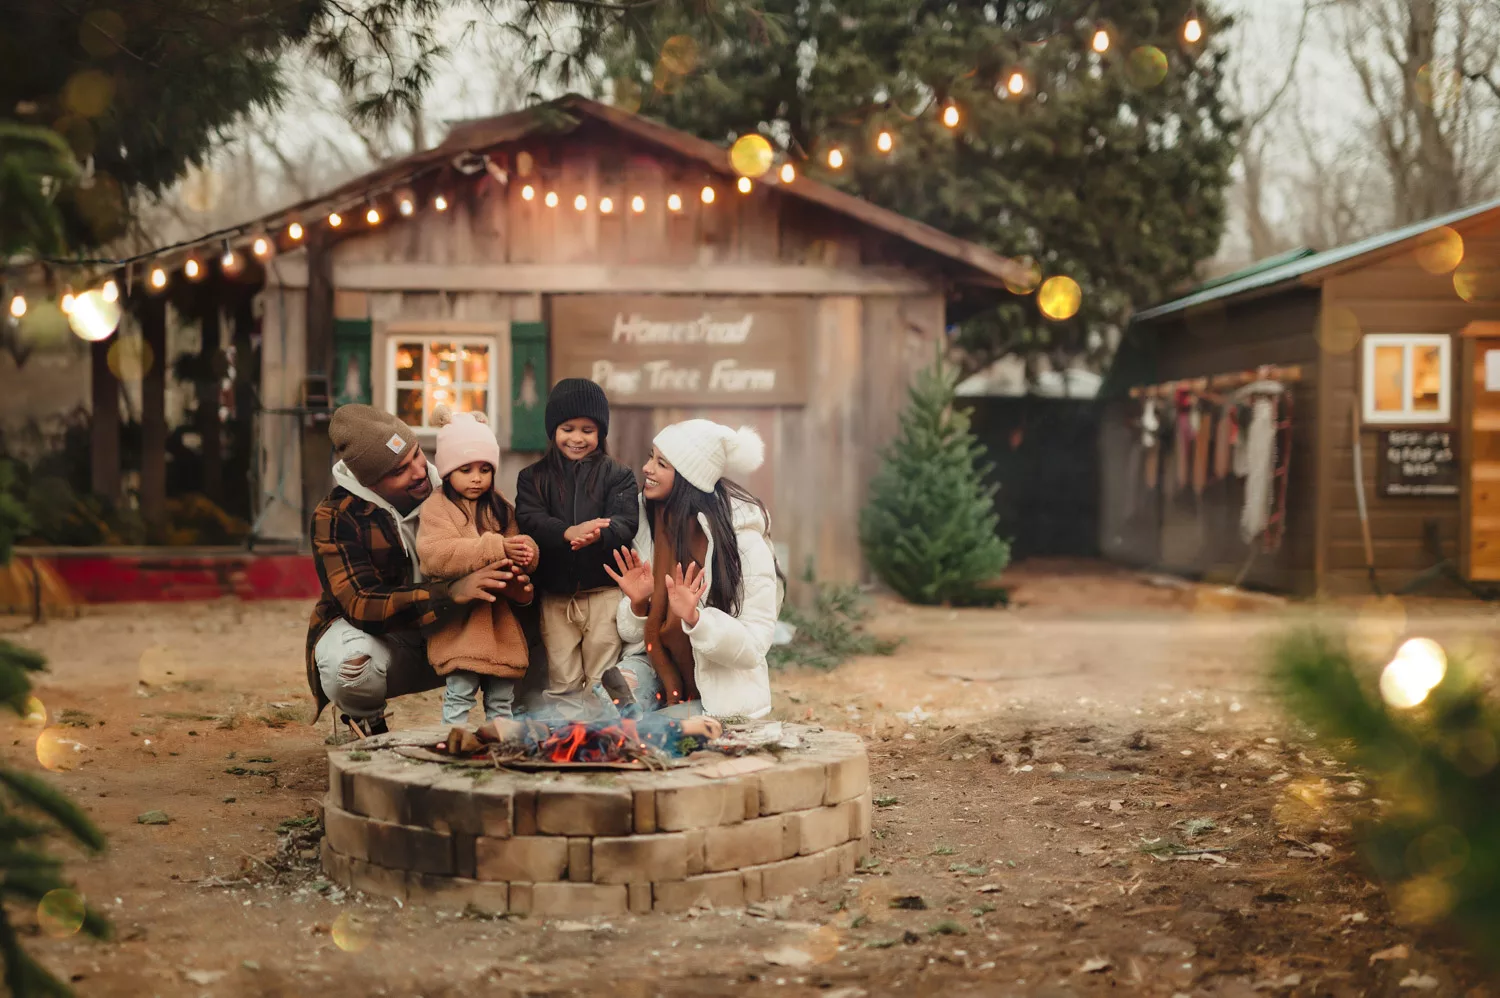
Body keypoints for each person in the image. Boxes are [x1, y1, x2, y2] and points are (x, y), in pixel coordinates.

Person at [306, 404, 519, 738]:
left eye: (417, 454)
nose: (419, 471)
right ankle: (366, 721)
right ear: (370, 483)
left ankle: (527, 721)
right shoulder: (336, 515)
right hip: (393, 637)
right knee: (349, 665)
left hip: (466, 628)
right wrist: (451, 592)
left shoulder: (456, 483)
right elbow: (361, 604)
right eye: (398, 470)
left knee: (542, 622)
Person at [604, 419, 782, 719]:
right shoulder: (649, 522)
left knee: (660, 727)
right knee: (612, 696)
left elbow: (754, 645)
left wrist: (696, 619)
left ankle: (649, 725)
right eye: (651, 456)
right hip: (656, 663)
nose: (647, 468)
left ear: (689, 478)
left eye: (662, 464)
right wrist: (638, 604)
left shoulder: (743, 541)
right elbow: (636, 637)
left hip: (718, 688)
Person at [514, 379, 641, 718]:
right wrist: (567, 532)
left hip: (603, 594)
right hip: (555, 596)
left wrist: (601, 534)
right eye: (567, 428)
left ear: (601, 433)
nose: (577, 438)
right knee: (562, 671)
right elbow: (529, 518)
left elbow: (627, 521)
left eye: (588, 429)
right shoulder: (533, 478)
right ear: (552, 430)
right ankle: (569, 734)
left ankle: (607, 731)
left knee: (603, 670)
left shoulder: (619, 475)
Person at [417, 406, 540, 726]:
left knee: (501, 699)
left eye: (485, 469)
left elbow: (514, 547)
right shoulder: (437, 508)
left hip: (500, 626)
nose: (476, 477)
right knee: (460, 692)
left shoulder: (500, 507)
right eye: (466, 468)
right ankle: (452, 741)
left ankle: (498, 747)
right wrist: (495, 546)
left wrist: (526, 555)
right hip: (460, 624)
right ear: (446, 470)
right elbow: (435, 555)